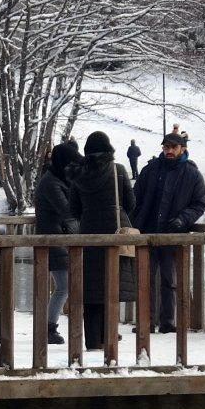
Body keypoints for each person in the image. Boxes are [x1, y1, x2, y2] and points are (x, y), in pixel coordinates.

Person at [69, 132, 137, 350]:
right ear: (109, 149)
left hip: (88, 233)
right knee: (112, 284)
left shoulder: (78, 174)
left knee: (91, 288)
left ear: (86, 152)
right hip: (114, 233)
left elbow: (73, 209)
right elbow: (130, 202)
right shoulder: (118, 171)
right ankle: (109, 336)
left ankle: (92, 340)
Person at [133, 132, 205, 333]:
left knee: (169, 280)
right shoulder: (150, 169)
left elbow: (199, 204)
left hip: (172, 232)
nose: (169, 151)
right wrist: (135, 221)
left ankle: (168, 322)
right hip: (146, 233)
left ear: (182, 149)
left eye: (173, 147)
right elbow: (135, 198)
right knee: (144, 279)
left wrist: (183, 219)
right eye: (166, 147)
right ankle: (145, 321)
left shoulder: (192, 174)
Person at [34, 141, 82, 344]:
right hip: (53, 238)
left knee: (66, 286)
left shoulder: (59, 179)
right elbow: (67, 210)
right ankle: (48, 328)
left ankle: (49, 327)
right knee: (63, 286)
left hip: (62, 237)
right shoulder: (51, 183)